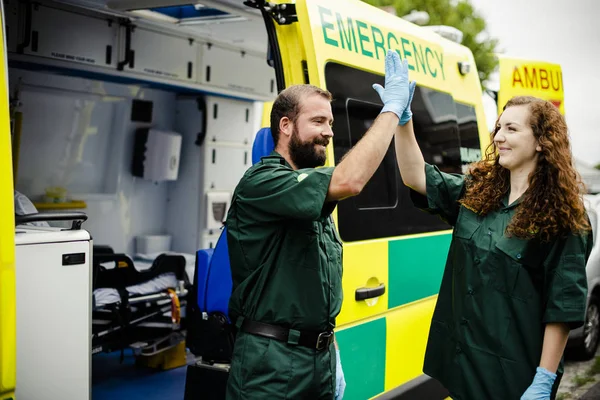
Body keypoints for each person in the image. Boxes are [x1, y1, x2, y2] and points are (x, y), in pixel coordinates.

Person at [224, 50, 416, 399]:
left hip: (320, 359)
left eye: (330, 123)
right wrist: (390, 113)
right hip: (272, 363)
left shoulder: (311, 189)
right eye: (317, 122)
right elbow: (351, 180)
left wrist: (332, 352)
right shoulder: (262, 182)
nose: (329, 132)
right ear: (285, 126)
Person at [387, 94, 593, 399]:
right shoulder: (477, 193)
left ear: (541, 141)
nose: (498, 137)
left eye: (511, 129)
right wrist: (403, 121)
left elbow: (562, 309)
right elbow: (416, 176)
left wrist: (544, 379)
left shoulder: (564, 219)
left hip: (513, 377)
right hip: (464, 367)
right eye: (498, 128)